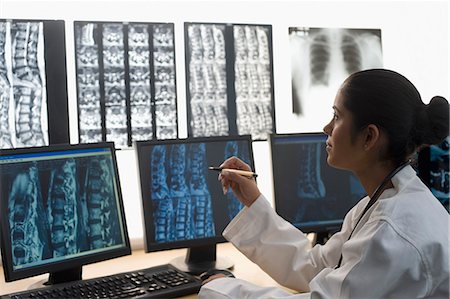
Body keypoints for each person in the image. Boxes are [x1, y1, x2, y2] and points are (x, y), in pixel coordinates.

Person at [198, 69, 449, 298]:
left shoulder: (390, 231)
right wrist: (253, 200)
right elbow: (316, 267)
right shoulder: (379, 204)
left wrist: (220, 288)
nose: (327, 127)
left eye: (337, 116)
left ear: (369, 137)